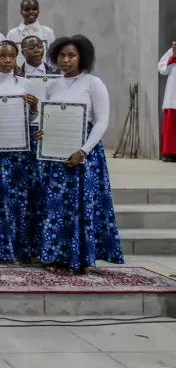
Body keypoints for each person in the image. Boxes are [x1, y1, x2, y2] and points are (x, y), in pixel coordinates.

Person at [37, 36, 123, 273]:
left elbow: (102, 120)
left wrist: (83, 151)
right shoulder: (53, 84)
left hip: (83, 153)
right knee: (57, 207)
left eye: (71, 56)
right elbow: (47, 117)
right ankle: (55, 256)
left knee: (80, 206)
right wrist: (43, 132)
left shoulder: (93, 83)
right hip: (56, 156)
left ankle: (80, 259)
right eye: (62, 55)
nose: (66, 60)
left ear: (82, 57)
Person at [0, 40, 40, 262]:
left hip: (21, 151)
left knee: (21, 200)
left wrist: (33, 108)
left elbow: (32, 119)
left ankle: (22, 247)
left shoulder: (26, 84)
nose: (7, 60)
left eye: (11, 56)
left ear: (16, 58)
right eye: (2, 56)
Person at [160, 41, 176, 161]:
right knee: (171, 123)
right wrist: (173, 58)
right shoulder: (171, 52)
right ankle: (170, 153)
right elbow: (162, 69)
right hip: (173, 93)